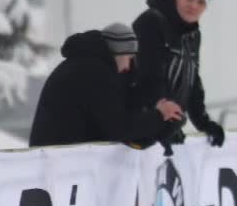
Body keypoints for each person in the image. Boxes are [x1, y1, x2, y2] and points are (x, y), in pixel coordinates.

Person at [28, 23, 179, 148]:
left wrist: (157, 120)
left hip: (57, 156)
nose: (129, 66)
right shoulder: (94, 71)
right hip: (59, 161)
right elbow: (119, 127)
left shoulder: (87, 65)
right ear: (119, 53)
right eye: (129, 58)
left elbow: (117, 115)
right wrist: (159, 116)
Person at [132, 0, 225, 148]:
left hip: (169, 124)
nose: (193, 5)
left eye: (201, 2)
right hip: (143, 125)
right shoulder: (151, 21)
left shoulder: (193, 35)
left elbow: (192, 81)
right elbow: (146, 72)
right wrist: (160, 106)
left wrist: (204, 123)